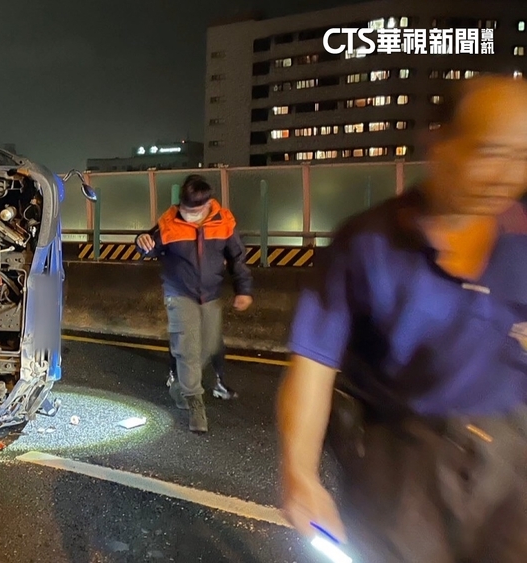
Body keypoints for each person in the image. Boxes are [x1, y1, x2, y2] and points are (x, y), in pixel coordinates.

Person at [277, 75, 527, 562]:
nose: (506, 176)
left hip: (514, 466)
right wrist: (299, 473)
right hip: (404, 471)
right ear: (439, 144)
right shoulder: (366, 245)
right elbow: (312, 364)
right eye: (489, 152)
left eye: (523, 156)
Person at [136, 175, 253, 433]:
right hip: (179, 294)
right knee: (188, 347)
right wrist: (141, 241)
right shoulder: (169, 223)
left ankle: (181, 386)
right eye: (186, 210)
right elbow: (148, 246)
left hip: (210, 294)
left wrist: (243, 289)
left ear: (208, 204)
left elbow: (237, 258)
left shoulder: (223, 223)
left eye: (195, 211)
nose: (189, 215)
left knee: (210, 345)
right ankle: (195, 403)